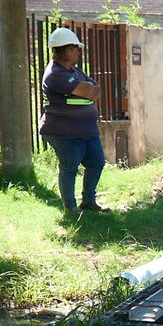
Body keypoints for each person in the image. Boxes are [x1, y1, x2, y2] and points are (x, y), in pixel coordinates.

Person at [39, 27, 108, 213]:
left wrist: (89, 89)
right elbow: (89, 91)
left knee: (97, 162)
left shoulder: (74, 71)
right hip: (64, 132)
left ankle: (88, 201)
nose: (78, 52)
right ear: (68, 50)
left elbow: (95, 88)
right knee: (69, 168)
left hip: (86, 130)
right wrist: (88, 90)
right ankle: (70, 208)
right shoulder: (56, 74)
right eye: (76, 49)